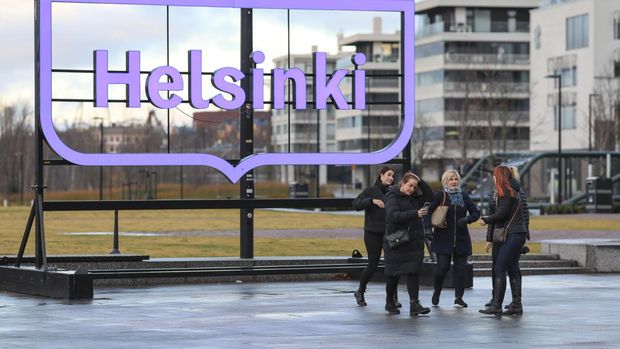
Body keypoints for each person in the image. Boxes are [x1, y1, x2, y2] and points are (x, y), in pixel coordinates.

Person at [478, 166, 529, 315]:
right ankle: (516, 305)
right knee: (512, 268)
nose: (493, 178)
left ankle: (497, 306)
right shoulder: (513, 190)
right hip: (516, 234)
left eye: (494, 175)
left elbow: (501, 214)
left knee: (500, 268)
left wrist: (485, 220)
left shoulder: (506, 192)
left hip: (512, 234)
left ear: (499, 176)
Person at [383, 172, 434, 315]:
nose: (412, 189)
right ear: (402, 183)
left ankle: (414, 304)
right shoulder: (392, 196)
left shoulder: (414, 197)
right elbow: (393, 216)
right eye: (410, 185)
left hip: (413, 243)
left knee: (413, 272)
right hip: (397, 242)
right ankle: (389, 301)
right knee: (394, 274)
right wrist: (415, 214)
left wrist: (419, 180)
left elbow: (430, 196)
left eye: (414, 186)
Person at [428, 169, 480, 308]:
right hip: (443, 239)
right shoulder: (441, 195)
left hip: (462, 239)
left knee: (461, 270)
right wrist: (427, 229)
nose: (454, 181)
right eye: (451, 179)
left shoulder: (464, 196)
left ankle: (459, 298)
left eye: (456, 179)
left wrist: (467, 219)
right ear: (445, 181)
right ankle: (437, 290)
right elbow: (429, 212)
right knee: (442, 268)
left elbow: (476, 212)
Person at [352, 166, 396, 307]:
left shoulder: (393, 192)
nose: (391, 178)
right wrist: (371, 201)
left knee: (392, 265)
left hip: (390, 234)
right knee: (373, 264)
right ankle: (360, 291)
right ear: (381, 175)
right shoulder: (371, 190)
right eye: (388, 175)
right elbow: (356, 204)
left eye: (393, 176)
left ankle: (392, 297)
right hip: (373, 234)